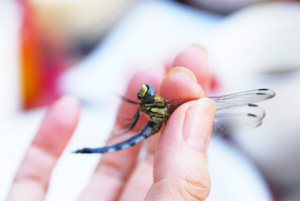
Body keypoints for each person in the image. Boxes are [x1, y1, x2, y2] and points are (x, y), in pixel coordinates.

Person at [6, 45, 216, 201]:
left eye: (148, 93)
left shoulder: (155, 106)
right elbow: (132, 117)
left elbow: (133, 117)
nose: (146, 94)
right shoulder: (149, 107)